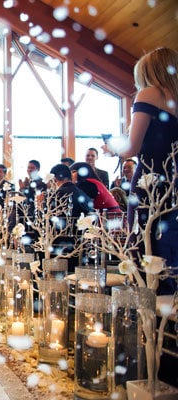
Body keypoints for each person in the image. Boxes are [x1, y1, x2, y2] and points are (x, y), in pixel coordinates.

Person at [102, 47, 178, 295]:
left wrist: (112, 148)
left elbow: (132, 147)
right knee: (170, 247)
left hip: (150, 183)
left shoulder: (148, 94)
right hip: (173, 182)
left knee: (146, 248)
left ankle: (151, 316)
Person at [49, 164, 94, 271]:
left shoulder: (58, 194)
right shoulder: (81, 193)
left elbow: (51, 221)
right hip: (82, 242)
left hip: (62, 244)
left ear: (54, 179)